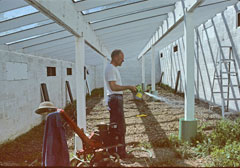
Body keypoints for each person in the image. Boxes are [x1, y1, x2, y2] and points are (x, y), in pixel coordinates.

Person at [104, 49, 137, 159]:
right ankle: (121, 153)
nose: (123, 60)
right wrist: (129, 87)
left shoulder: (112, 69)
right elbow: (113, 87)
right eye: (121, 58)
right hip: (115, 98)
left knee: (115, 126)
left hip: (115, 98)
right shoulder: (111, 69)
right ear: (116, 57)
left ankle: (113, 151)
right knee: (120, 127)